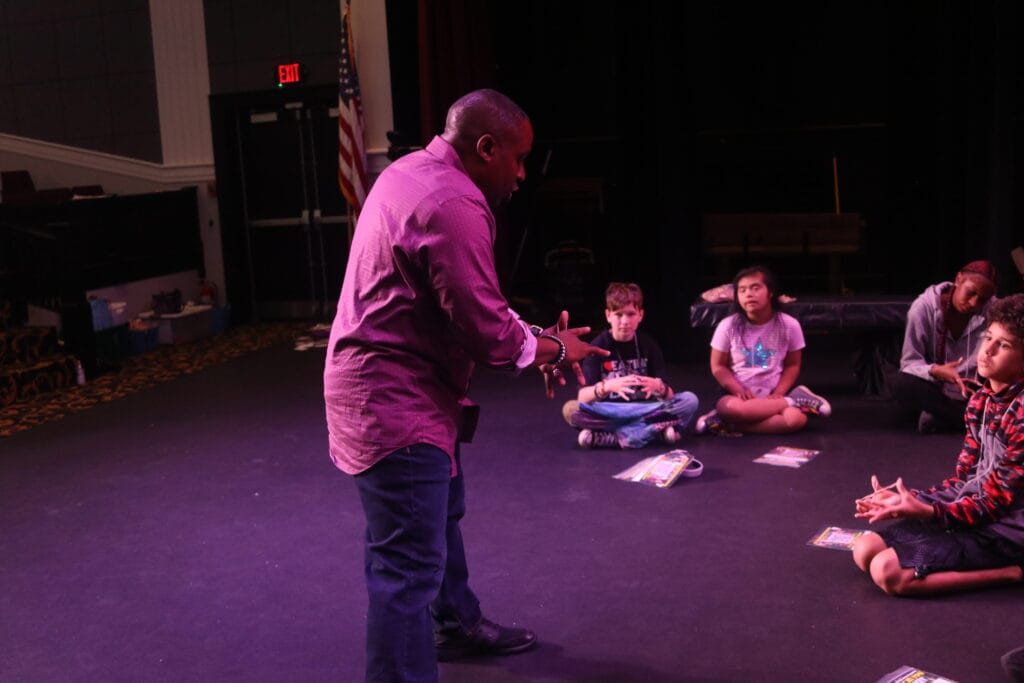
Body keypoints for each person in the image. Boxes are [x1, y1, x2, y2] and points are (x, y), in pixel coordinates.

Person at [323, 89, 609, 683]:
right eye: (518, 159)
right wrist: (556, 348)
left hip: (404, 385)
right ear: (486, 148)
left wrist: (535, 339)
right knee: (405, 567)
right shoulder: (453, 204)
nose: (523, 174)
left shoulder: (408, 171)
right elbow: (487, 332)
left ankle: (454, 623)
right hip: (395, 399)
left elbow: (462, 302)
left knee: (437, 514)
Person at [851, 294, 1024, 597]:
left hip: (1009, 529)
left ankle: (1011, 572)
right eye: (989, 338)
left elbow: (996, 503)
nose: (987, 350)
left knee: (888, 572)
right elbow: (965, 480)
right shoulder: (980, 401)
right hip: (977, 513)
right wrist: (907, 501)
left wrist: (928, 512)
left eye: (1004, 345)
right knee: (863, 548)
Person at [695, 265, 831, 435]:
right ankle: (794, 401)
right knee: (731, 408)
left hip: (774, 394)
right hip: (738, 396)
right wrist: (738, 390)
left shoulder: (789, 325)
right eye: (742, 290)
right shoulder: (727, 326)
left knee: (795, 419)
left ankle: (724, 423)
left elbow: (793, 365)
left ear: (770, 292)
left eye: (755, 288)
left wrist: (779, 393)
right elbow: (718, 366)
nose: (748, 294)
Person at [563, 282, 699, 449]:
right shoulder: (596, 347)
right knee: (571, 409)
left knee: (690, 400)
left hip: (644, 409)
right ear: (608, 315)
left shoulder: (649, 345)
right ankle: (653, 431)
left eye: (631, 314)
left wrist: (659, 387)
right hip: (610, 411)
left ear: (640, 315)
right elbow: (582, 397)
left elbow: (669, 395)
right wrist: (607, 387)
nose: (625, 321)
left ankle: (616, 437)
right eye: (619, 315)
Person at [888, 260, 998, 434]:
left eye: (982, 299)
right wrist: (936, 371)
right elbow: (909, 364)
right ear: (958, 279)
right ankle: (969, 420)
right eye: (971, 293)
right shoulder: (923, 308)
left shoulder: (994, 310)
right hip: (936, 389)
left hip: (973, 388)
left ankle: (944, 418)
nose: (974, 303)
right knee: (900, 383)